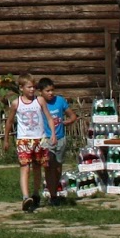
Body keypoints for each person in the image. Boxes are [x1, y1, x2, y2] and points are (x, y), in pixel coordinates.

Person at [3, 75, 53, 212]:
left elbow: (48, 118)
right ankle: (25, 197)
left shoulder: (40, 100)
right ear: (21, 88)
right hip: (24, 139)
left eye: (33, 87)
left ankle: (35, 193)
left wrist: (52, 134)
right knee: (25, 167)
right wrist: (6, 139)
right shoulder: (16, 103)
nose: (32, 90)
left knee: (38, 167)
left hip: (40, 139)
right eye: (29, 87)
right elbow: (9, 122)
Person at [37, 77, 77, 206]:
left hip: (60, 138)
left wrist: (67, 121)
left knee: (58, 167)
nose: (50, 93)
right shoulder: (39, 103)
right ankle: (53, 196)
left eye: (52, 90)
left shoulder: (60, 101)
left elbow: (72, 116)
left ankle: (55, 191)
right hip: (46, 139)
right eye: (47, 91)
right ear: (41, 92)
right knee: (49, 167)